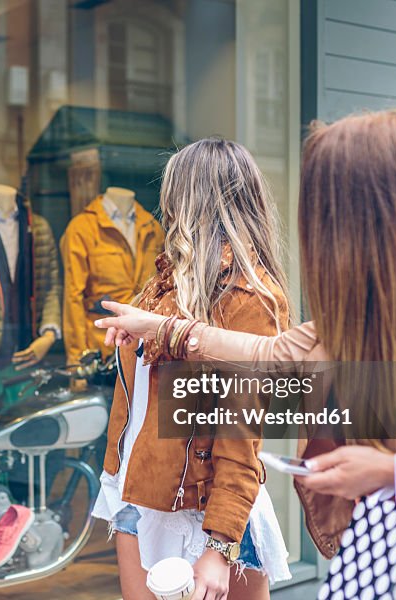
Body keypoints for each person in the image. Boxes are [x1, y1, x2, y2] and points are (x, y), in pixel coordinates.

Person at [94, 110, 396, 561]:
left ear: (375, 213)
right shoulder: (382, 303)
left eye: (327, 210)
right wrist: (160, 328)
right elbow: (270, 355)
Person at [91, 138, 292, 600]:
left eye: (172, 197)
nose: (166, 211)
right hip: (134, 495)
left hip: (207, 513)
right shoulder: (159, 288)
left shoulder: (249, 300)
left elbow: (243, 439)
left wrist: (220, 545)